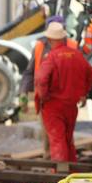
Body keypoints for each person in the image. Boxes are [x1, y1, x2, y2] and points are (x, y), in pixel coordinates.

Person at [34, 22, 92, 162]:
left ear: (50, 40)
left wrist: (43, 96)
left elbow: (41, 79)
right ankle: (71, 172)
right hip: (71, 106)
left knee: (57, 140)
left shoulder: (51, 57)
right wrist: (83, 93)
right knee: (68, 140)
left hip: (53, 105)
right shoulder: (77, 55)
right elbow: (91, 74)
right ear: (63, 38)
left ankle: (60, 175)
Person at [20, 16, 79, 156]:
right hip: (46, 100)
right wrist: (23, 93)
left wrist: (82, 92)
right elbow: (30, 72)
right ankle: (53, 162)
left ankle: (62, 166)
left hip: (67, 99)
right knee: (51, 134)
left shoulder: (73, 46)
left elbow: (82, 72)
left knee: (64, 135)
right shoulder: (40, 47)